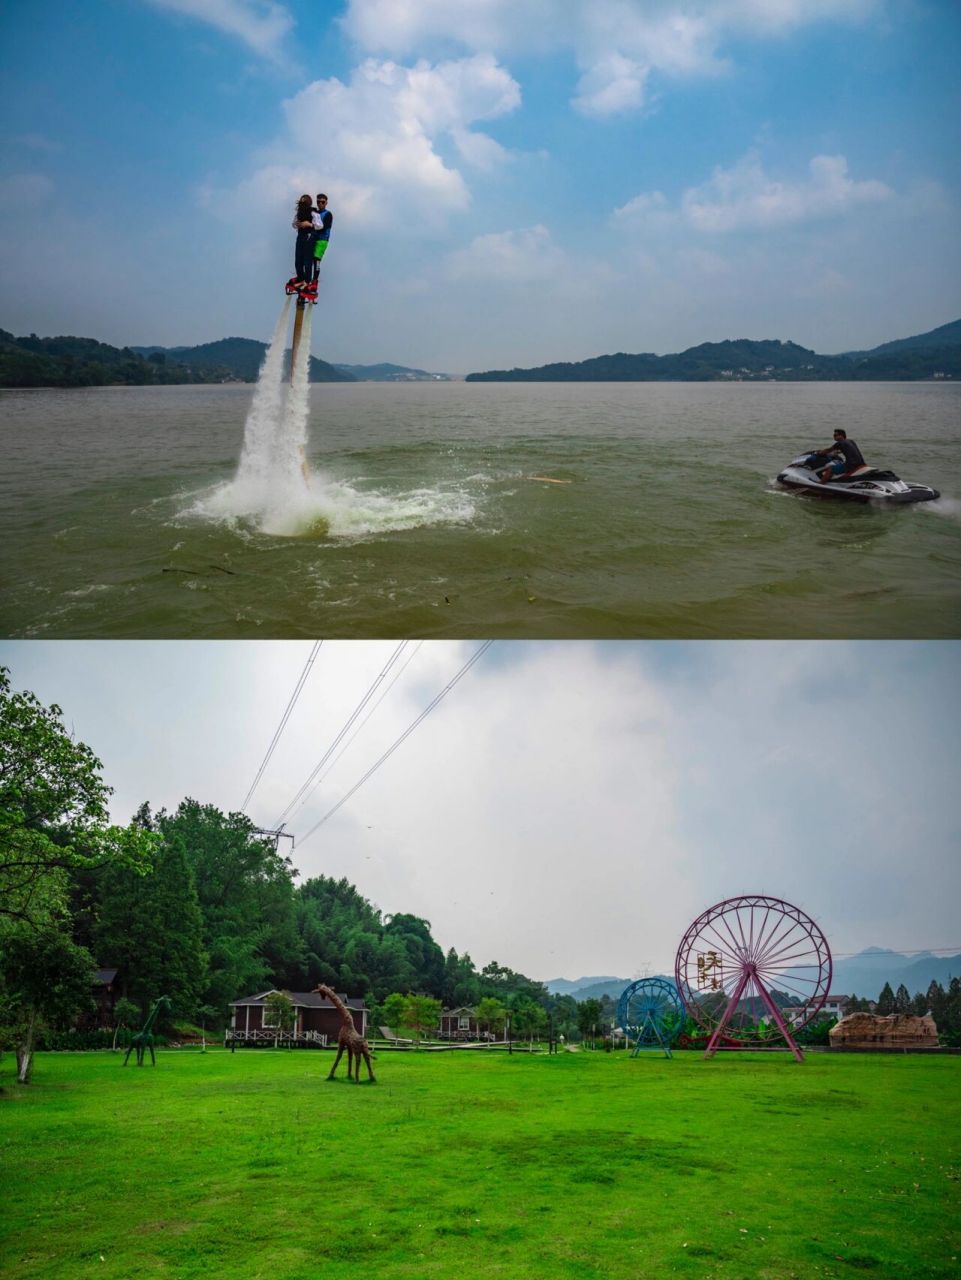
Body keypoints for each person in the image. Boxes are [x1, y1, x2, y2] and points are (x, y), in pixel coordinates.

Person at [288, 194, 316, 291]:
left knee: (307, 261)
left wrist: (308, 224)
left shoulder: (313, 212)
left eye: (304, 202)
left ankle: (307, 281)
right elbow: (293, 223)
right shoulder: (299, 213)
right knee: (298, 260)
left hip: (309, 237)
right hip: (300, 236)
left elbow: (320, 225)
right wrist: (297, 224)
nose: (302, 203)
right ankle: (301, 278)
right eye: (301, 201)